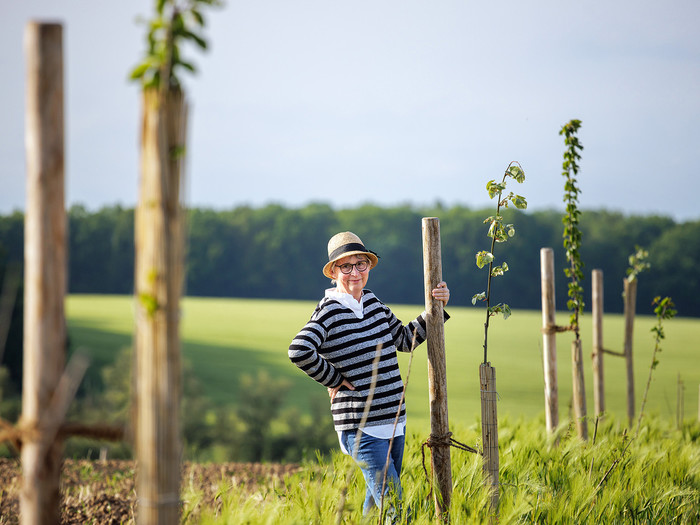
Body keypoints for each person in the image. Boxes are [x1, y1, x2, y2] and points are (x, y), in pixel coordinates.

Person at [288, 231, 449, 519]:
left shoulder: (373, 302)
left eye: (360, 264)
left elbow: (403, 339)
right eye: (345, 266)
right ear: (334, 272)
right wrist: (334, 379)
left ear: (369, 267)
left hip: (394, 422)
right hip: (361, 429)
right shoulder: (329, 311)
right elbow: (299, 350)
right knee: (396, 509)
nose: (354, 272)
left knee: (375, 509)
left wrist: (436, 309)